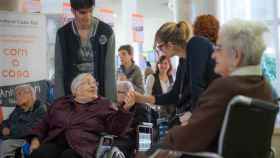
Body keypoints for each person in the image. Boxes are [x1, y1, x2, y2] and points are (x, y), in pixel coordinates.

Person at [138, 19, 274, 157]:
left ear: (236, 55)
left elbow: (192, 134)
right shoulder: (267, 90)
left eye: (219, 48)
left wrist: (156, 147)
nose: (213, 55)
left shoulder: (224, 88)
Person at [29, 73, 135, 158]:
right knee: (39, 154)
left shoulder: (103, 104)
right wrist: (35, 140)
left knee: (68, 156)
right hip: (56, 142)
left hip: (83, 146)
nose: (93, 85)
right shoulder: (61, 103)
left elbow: (116, 129)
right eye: (88, 83)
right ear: (76, 89)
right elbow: (43, 123)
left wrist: (125, 109)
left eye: (94, 83)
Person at [132, 21, 217, 126]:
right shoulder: (183, 59)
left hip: (213, 111)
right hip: (200, 112)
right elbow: (174, 95)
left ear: (170, 45)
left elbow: (198, 88)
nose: (159, 51)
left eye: (159, 47)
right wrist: (141, 98)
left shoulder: (196, 45)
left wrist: (192, 115)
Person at [54, 0, 116, 101]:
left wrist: (112, 102)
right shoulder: (62, 34)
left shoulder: (106, 32)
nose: (88, 16)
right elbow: (59, 72)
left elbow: (110, 71)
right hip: (72, 99)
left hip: (99, 98)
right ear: (73, 11)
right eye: (82, 12)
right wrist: (60, 103)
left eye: (90, 11)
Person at [0, 85, 46, 158]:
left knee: (5, 144)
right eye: (16, 95)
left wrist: (10, 131)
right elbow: (7, 122)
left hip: (28, 139)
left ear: (30, 94)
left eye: (19, 94)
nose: (16, 97)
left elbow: (32, 129)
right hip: (12, 137)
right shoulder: (19, 108)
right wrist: (4, 128)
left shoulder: (40, 109)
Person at [114, 81, 156, 158]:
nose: (115, 94)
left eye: (118, 92)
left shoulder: (141, 108)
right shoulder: (117, 107)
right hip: (117, 141)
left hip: (128, 145)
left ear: (128, 94)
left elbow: (145, 134)